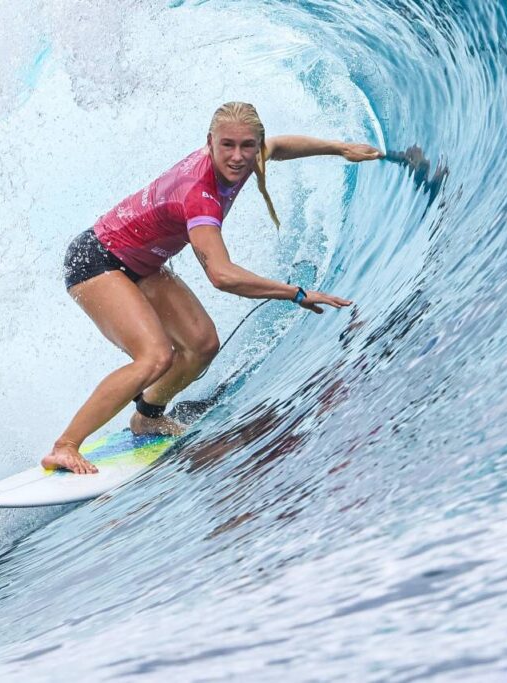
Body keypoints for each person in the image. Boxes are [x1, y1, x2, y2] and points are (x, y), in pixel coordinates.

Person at [43, 101, 383, 474]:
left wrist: (339, 148)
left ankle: (148, 417)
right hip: (97, 260)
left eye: (247, 146)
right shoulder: (199, 193)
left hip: (144, 262)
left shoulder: (245, 157)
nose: (238, 157)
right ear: (210, 142)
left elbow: (281, 147)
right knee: (155, 356)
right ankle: (65, 445)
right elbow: (222, 275)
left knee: (202, 344)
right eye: (228, 146)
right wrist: (296, 293)